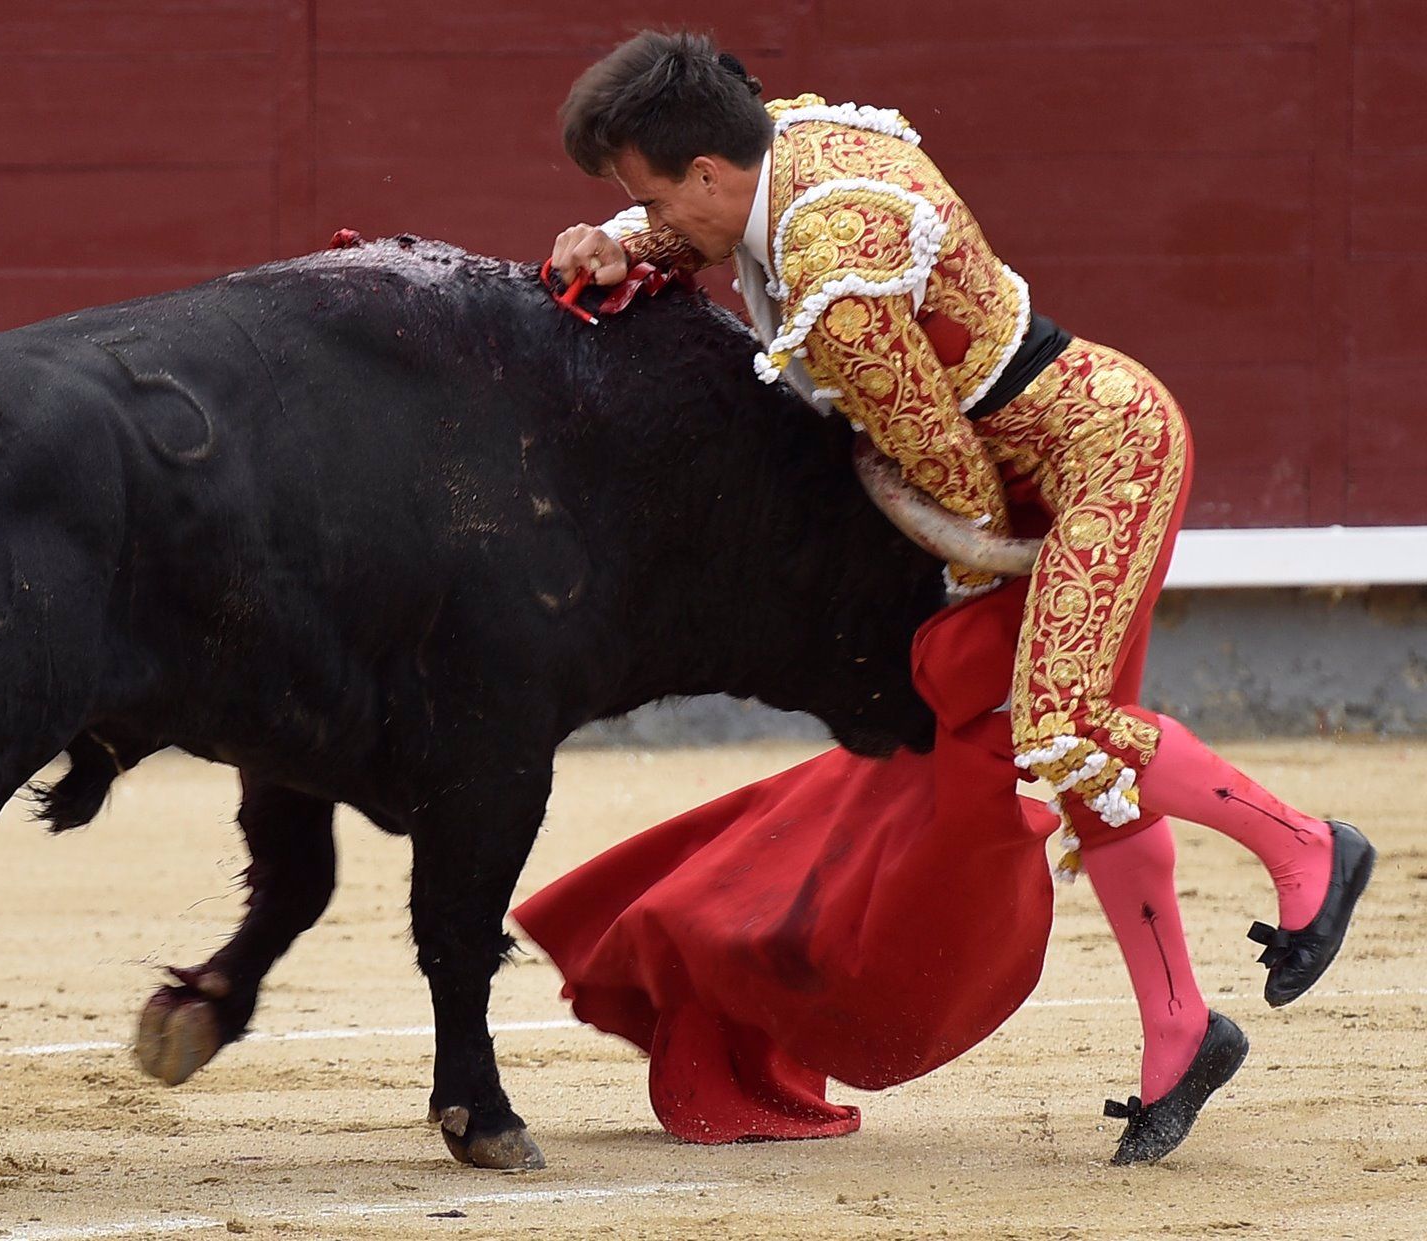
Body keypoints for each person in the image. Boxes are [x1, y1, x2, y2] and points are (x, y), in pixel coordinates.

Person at [542, 30, 1376, 1163]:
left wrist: (969, 605)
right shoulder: (781, 139)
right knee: (1066, 755)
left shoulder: (837, 280)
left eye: (649, 194)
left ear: (705, 170)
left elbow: (952, 477)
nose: (654, 216)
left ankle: (1309, 848)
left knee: (1060, 725)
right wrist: (622, 238)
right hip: (1053, 467)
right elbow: (703, 219)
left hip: (1095, 467)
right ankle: (1182, 1031)